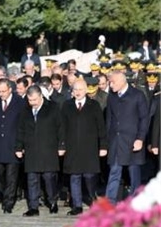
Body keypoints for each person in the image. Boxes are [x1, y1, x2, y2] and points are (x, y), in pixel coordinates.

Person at [15, 85, 65, 217]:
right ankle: (33, 207)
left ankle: (52, 202)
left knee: (49, 178)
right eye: (30, 100)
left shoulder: (53, 108)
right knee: (32, 179)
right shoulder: (25, 110)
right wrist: (19, 147)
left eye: (35, 100)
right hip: (31, 149)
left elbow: (60, 128)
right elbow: (21, 129)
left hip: (48, 148)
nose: (33, 103)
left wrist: (61, 146)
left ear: (41, 96)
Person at [62, 79, 108, 216]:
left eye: (80, 89)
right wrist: (61, 145)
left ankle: (92, 197)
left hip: (90, 148)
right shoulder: (67, 105)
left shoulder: (94, 105)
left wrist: (103, 146)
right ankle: (77, 205)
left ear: (86, 90)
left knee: (89, 175)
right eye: (75, 89)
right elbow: (62, 128)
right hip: (72, 148)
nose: (77, 92)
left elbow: (101, 127)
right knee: (74, 177)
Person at [105, 72, 150, 203]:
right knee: (114, 171)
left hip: (132, 141)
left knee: (134, 173)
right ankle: (110, 201)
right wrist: (108, 140)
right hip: (116, 141)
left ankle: (135, 202)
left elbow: (144, 119)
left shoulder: (137, 95)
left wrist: (140, 139)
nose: (110, 85)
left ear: (121, 81)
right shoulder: (112, 97)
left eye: (112, 82)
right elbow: (109, 119)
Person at [0, 78, 25, 213]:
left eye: (3, 91)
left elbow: (22, 125)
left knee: (11, 176)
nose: (1, 94)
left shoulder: (20, 102)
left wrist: (21, 145)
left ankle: (8, 202)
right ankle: (5, 193)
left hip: (13, 144)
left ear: (10, 89)